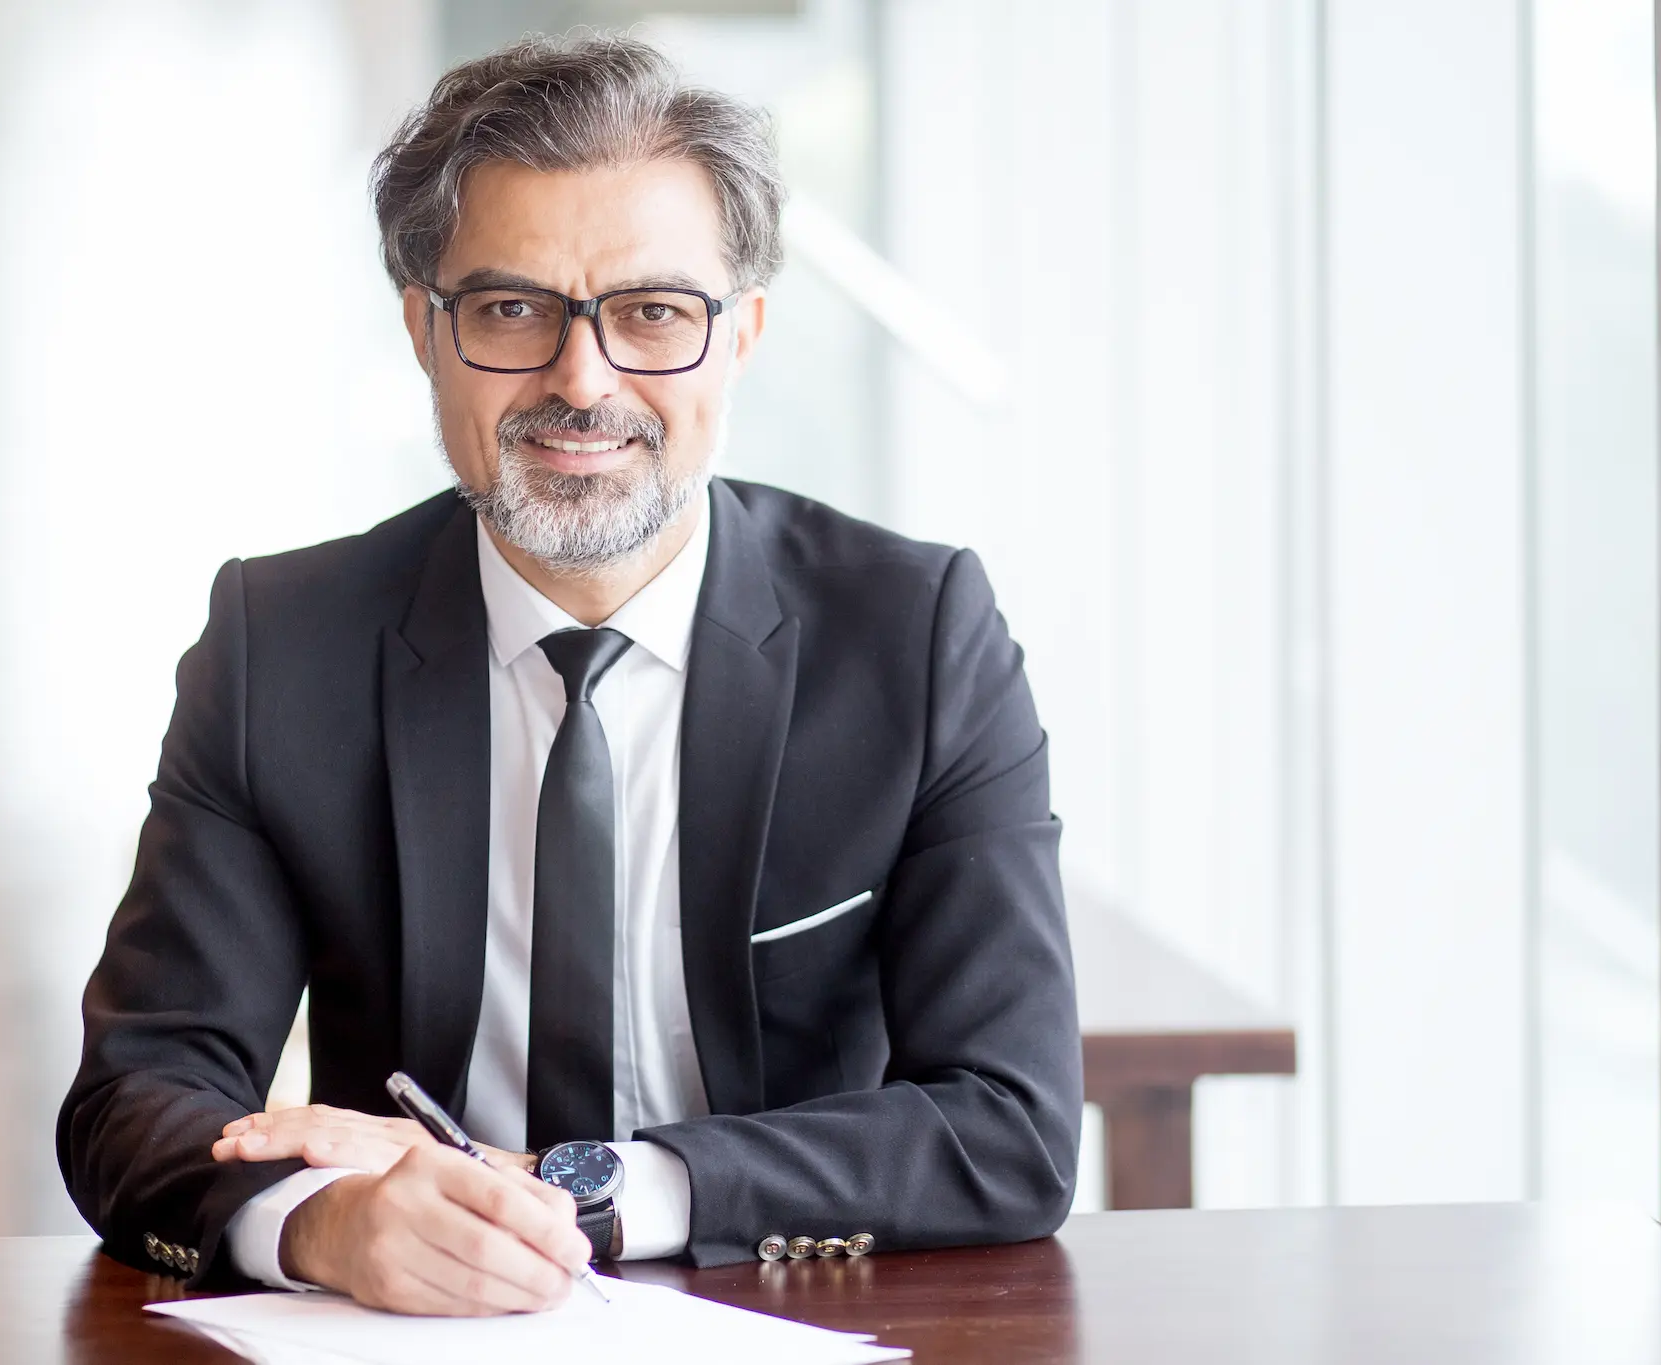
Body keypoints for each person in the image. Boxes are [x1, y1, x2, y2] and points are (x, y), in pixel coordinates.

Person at [57, 31, 1082, 1318]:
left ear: (740, 335)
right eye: (508, 309)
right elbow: (134, 1101)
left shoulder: (918, 635)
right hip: (406, 1334)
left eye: (653, 312)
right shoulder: (281, 644)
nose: (581, 379)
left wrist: (581, 1191)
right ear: (426, 334)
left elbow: (1009, 1127)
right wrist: (325, 1225)